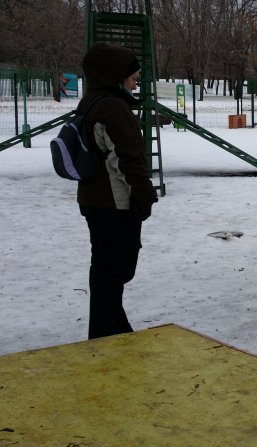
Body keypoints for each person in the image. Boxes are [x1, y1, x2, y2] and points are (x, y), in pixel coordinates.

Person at [78, 43, 158, 339]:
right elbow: (128, 158)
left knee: (104, 268)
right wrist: (144, 195)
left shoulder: (90, 102)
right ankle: (109, 332)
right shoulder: (112, 107)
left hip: (94, 200)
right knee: (114, 269)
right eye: (132, 78)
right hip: (114, 203)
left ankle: (108, 329)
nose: (135, 83)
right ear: (115, 76)